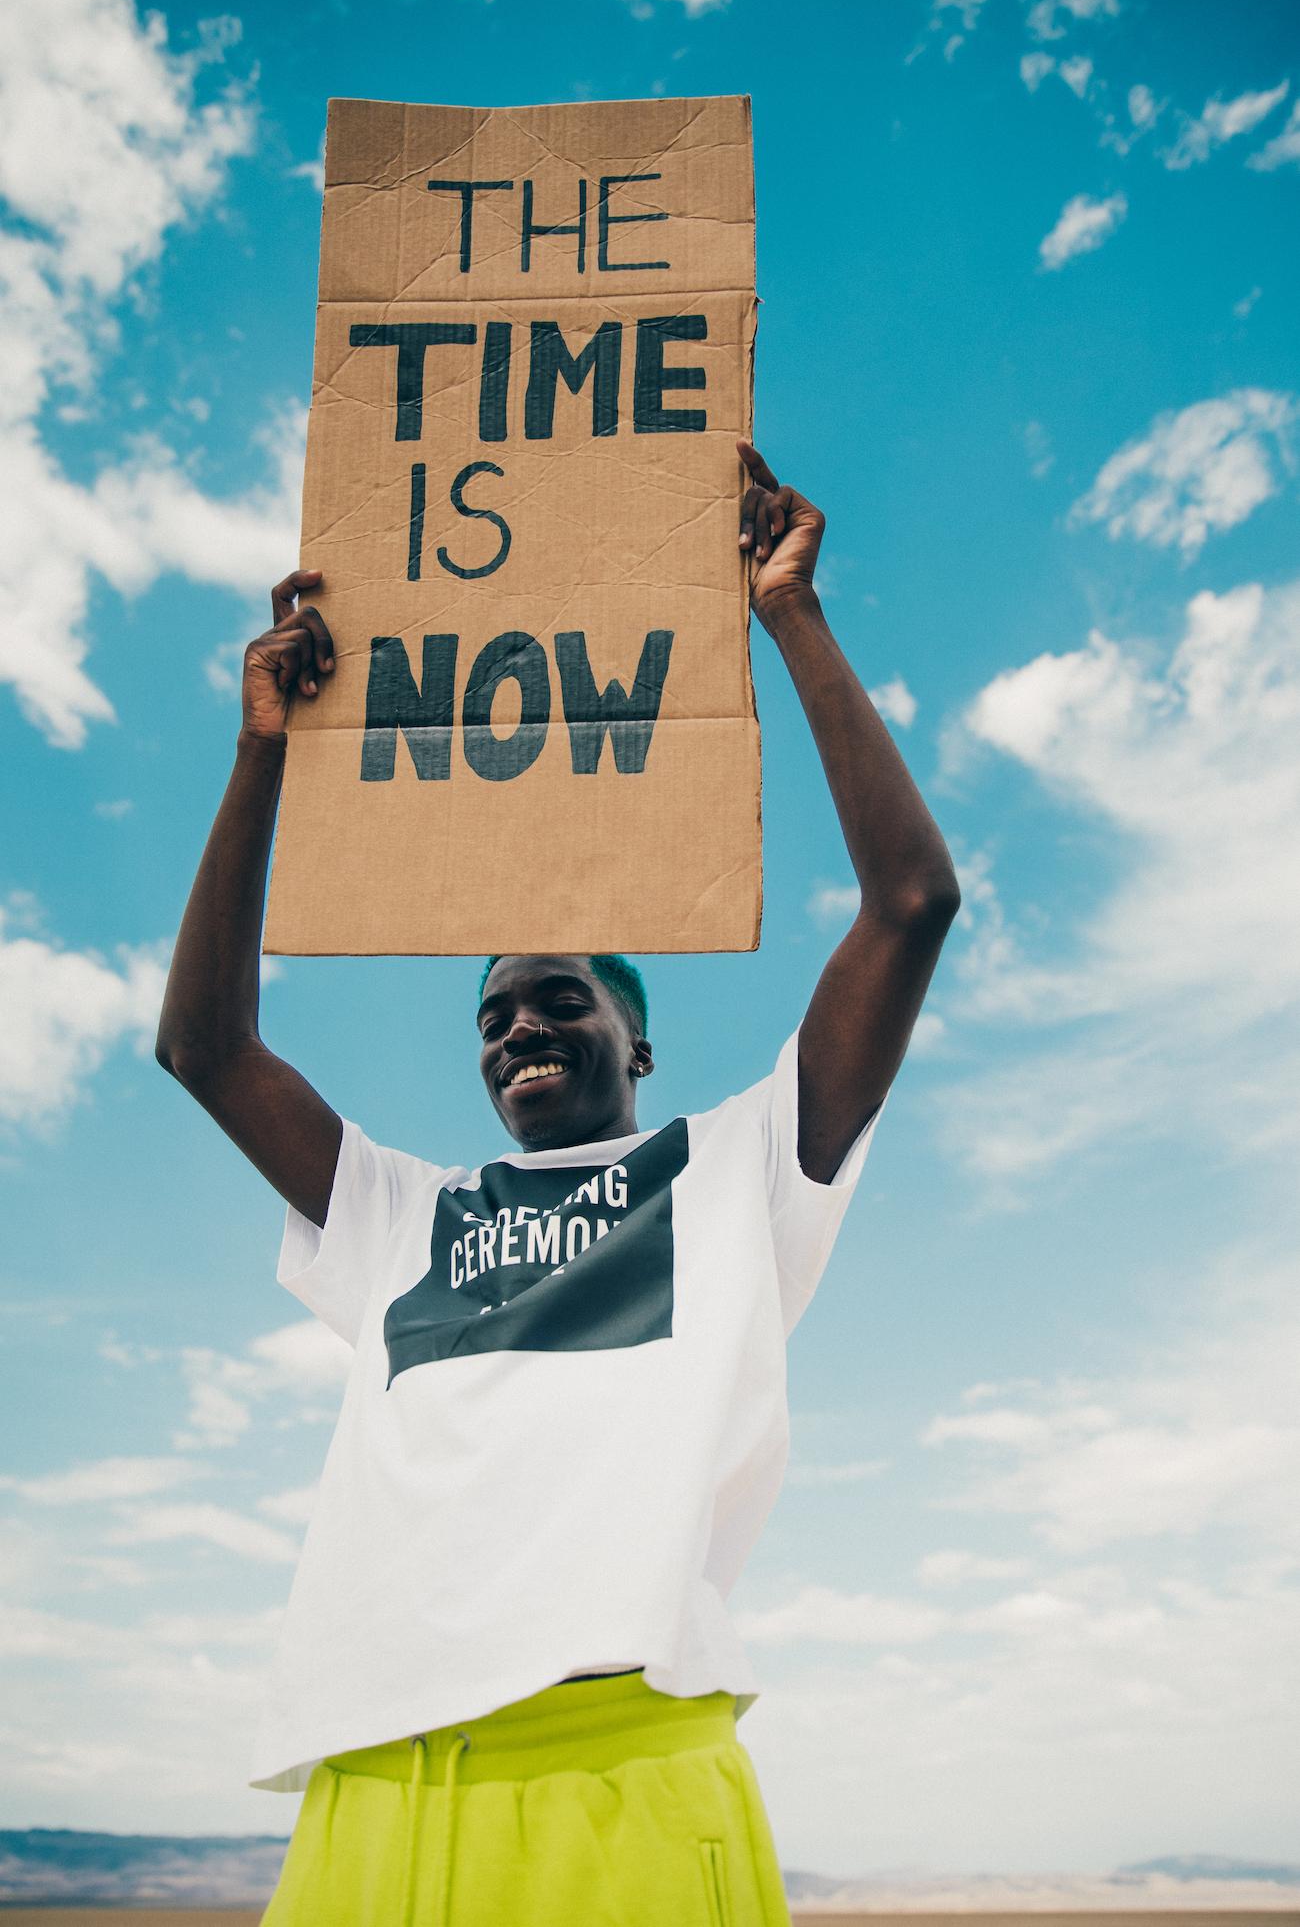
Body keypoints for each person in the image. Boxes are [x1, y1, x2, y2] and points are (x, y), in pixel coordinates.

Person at [155, 440, 960, 1927]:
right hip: (378, 1795)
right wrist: (261, 743)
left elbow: (913, 904)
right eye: (492, 1013)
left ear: (637, 1035)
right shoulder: (397, 1212)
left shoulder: (735, 1170)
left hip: (622, 1787)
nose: (520, 1023)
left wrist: (790, 614)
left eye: (561, 999)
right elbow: (204, 1047)